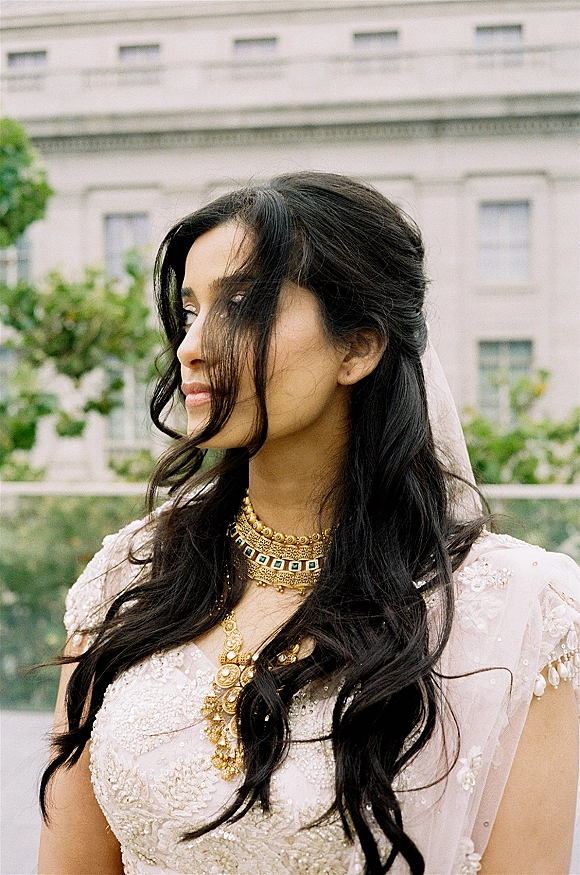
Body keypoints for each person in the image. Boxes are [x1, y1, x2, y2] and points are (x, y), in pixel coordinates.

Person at [38, 172, 579, 875]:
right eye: (189, 309)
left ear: (357, 346)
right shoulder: (131, 573)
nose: (190, 347)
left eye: (239, 305)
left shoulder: (521, 608)